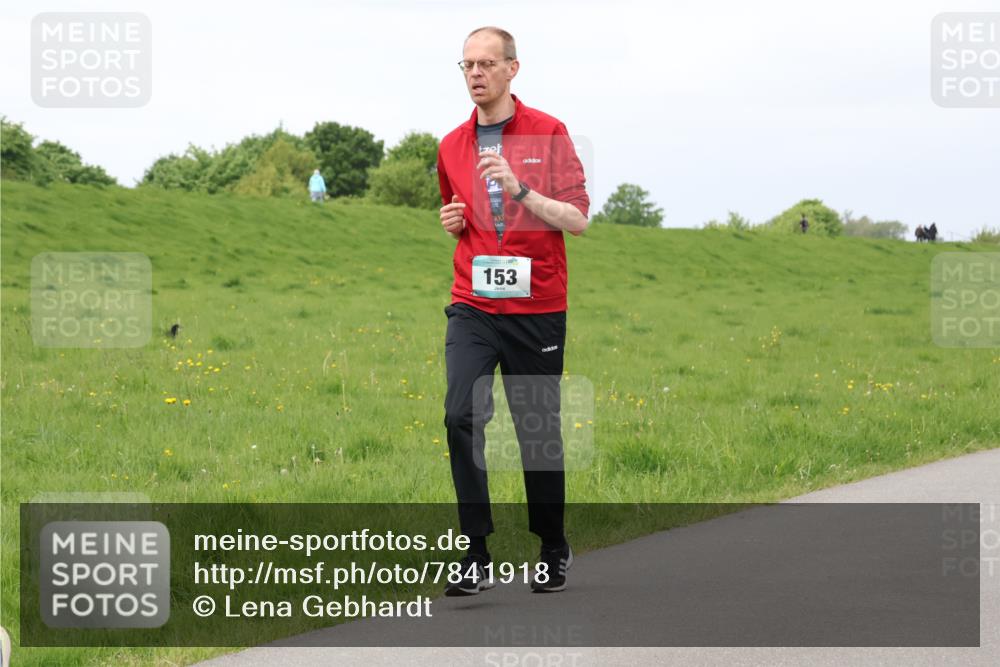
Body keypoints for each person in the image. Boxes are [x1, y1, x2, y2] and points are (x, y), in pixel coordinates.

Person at [437, 26, 590, 595]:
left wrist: (521, 189)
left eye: (486, 64)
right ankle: (474, 552)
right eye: (466, 65)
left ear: (512, 69)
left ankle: (552, 546)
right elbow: (457, 211)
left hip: (536, 307)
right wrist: (453, 222)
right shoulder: (451, 144)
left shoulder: (549, 133)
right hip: (473, 304)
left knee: (536, 429)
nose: (475, 74)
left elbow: (576, 219)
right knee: (460, 416)